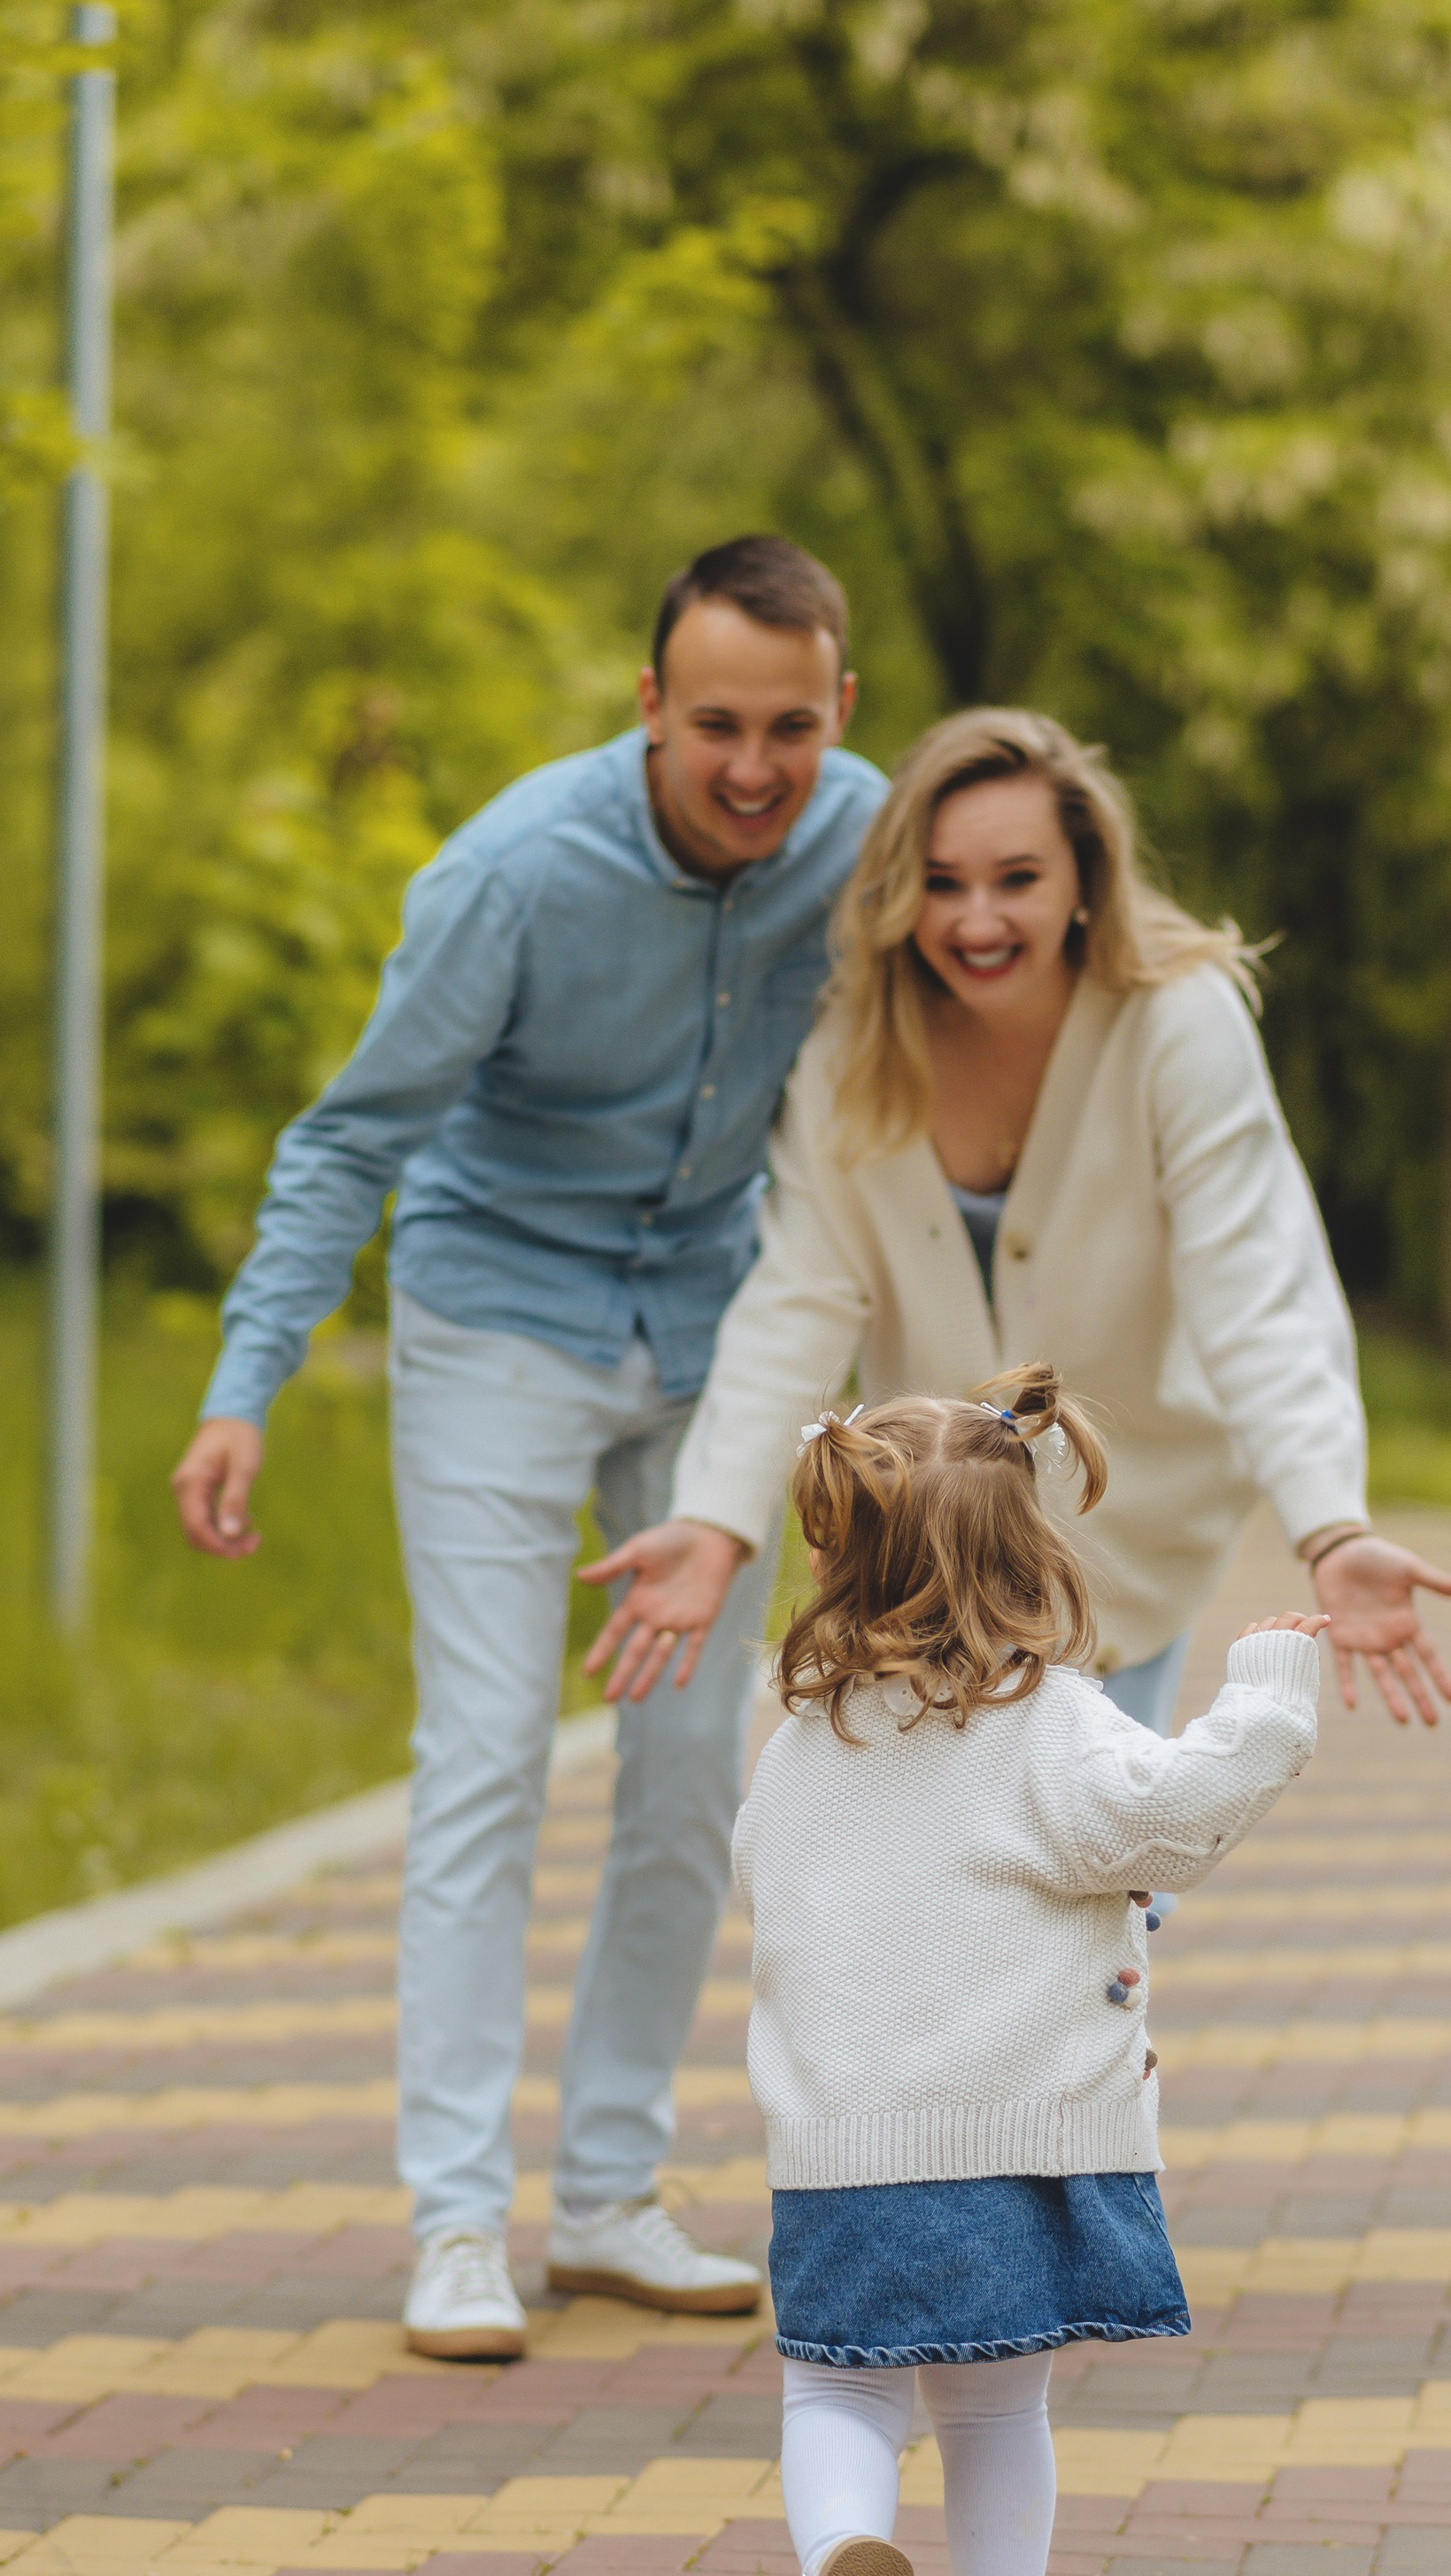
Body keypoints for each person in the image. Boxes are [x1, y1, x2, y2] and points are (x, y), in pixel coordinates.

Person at [167, 538, 888, 2364]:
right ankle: (452, 2220)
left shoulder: (867, 834)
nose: (751, 768)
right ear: (646, 704)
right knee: (485, 1747)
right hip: (501, 1317)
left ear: (839, 714)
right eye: (713, 722)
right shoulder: (509, 873)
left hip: (717, 1333)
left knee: (692, 1763)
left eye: (786, 729)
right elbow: (349, 1139)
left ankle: (610, 2195)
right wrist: (244, 1382)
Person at [582, 705, 1451, 1739]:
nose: (976, 921)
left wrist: (1330, 1525)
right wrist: (713, 1517)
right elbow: (796, 1301)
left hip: (1119, 1530)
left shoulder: (1177, 1021)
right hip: (928, 1541)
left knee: (1107, 1865)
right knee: (942, 1863)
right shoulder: (851, 1054)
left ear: (1085, 880)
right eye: (942, 883)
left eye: (1018, 878)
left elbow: (1253, 1288)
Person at [731, 1368, 1324, 2576]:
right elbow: (1169, 1828)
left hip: (846, 2147)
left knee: (839, 2397)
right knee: (999, 2409)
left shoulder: (808, 1739)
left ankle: (843, 2561)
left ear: (837, 1553)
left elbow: (762, 1876)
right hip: (1030, 2143)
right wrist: (1271, 1702)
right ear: (1031, 1554)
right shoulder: (1054, 1720)